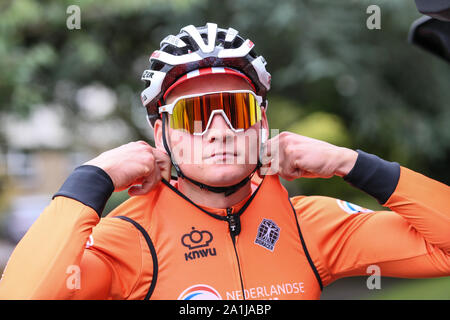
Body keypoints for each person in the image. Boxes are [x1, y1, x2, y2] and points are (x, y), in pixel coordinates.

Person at [0, 23, 449, 300]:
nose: (219, 129)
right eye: (195, 116)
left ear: (261, 124)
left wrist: (350, 162)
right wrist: (90, 179)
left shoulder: (309, 224)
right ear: (161, 135)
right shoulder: (131, 236)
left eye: (235, 110)